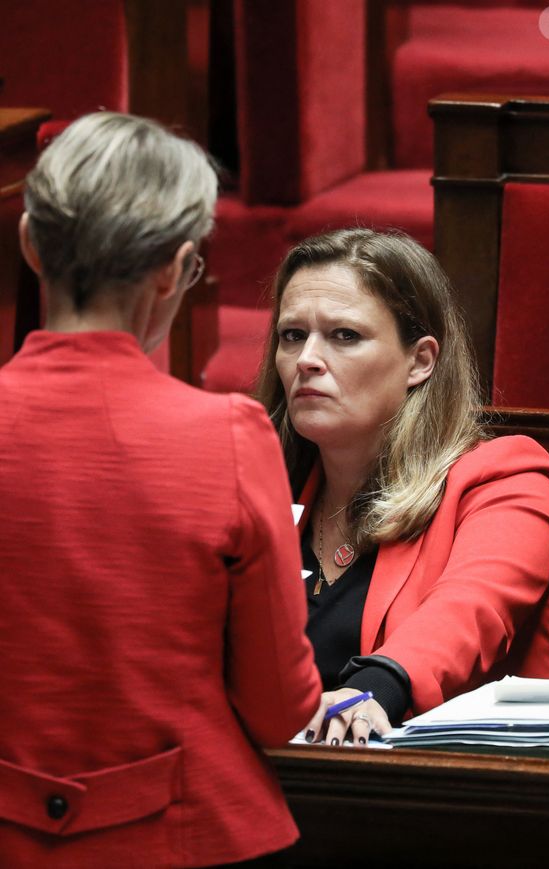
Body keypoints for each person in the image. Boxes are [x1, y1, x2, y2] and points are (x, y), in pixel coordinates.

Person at [0, 112, 321, 869]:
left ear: (30, 245)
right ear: (175, 269)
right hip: (188, 838)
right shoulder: (228, 435)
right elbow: (281, 710)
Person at [257, 227, 549, 746]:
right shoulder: (260, 484)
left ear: (420, 361)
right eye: (292, 335)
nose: (307, 358)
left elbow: (469, 613)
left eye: (344, 335)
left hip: (455, 801)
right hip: (281, 786)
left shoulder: (505, 483)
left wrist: (378, 686)